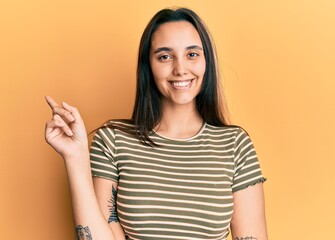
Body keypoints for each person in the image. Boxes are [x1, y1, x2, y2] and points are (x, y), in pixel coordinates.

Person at [45, 7, 268, 240]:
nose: (180, 69)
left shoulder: (235, 145)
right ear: (148, 66)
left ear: (206, 62)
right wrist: (75, 157)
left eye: (192, 54)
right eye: (165, 56)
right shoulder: (113, 139)